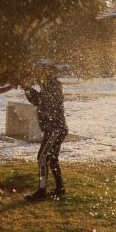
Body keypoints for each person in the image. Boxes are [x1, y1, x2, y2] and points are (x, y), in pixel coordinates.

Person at [23, 58, 68, 201]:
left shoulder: (54, 86)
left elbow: (43, 101)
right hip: (55, 128)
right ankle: (60, 189)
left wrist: (29, 89)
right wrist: (27, 89)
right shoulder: (48, 86)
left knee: (42, 158)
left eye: (41, 72)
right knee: (52, 159)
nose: (38, 76)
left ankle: (42, 191)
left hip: (55, 129)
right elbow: (37, 101)